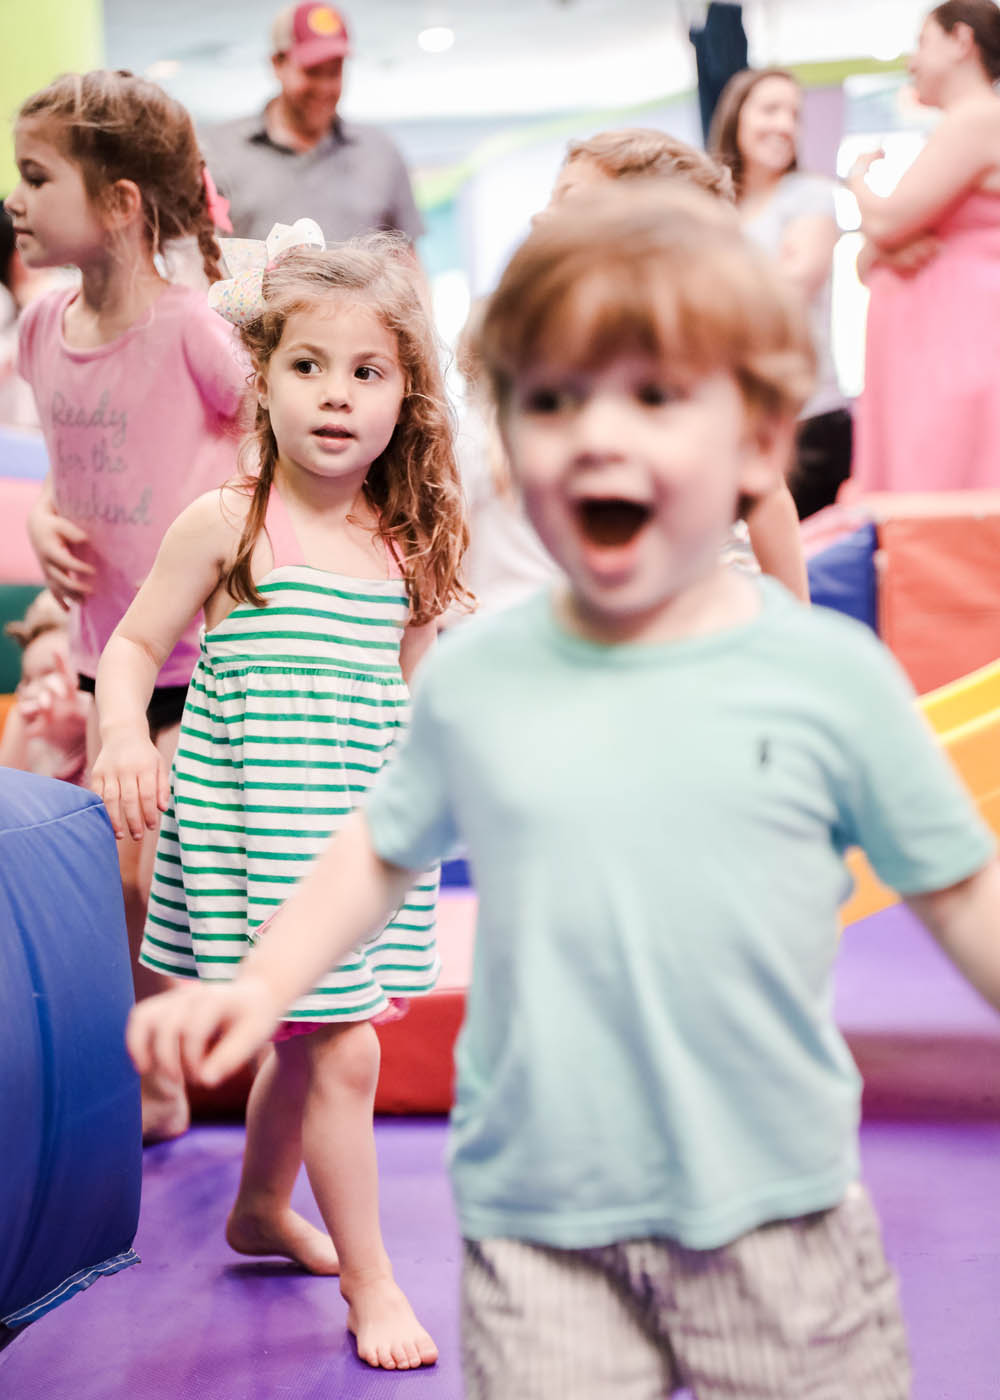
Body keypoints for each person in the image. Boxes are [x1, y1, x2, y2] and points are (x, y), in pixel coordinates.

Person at [126, 184, 1000, 1397]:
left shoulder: (826, 680)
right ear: (507, 441)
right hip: (537, 1227)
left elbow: (962, 891)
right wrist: (265, 982)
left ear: (757, 443)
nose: (597, 435)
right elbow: (374, 847)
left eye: (655, 398)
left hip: (773, 1212)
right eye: (553, 399)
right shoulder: (483, 676)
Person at [93, 233, 468, 1370]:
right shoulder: (232, 522)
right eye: (309, 366)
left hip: (351, 848)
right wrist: (123, 732)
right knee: (340, 1051)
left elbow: (406, 698)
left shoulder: (404, 547)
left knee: (304, 1049)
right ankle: (373, 1280)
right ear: (263, 380)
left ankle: (259, 1207)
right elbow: (133, 646)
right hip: (259, 844)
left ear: (405, 397)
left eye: (367, 372)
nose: (336, 394)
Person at [5, 69, 248, 1142]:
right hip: (101, 655)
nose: (15, 201)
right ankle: (144, 1068)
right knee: (104, 880)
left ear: (119, 203)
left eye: (36, 177)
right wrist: (46, 522)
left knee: (143, 871)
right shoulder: (41, 327)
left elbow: (269, 447)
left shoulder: (194, 329)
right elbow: (69, 472)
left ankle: (178, 1068)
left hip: (197, 657)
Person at [454, 127, 807, 620]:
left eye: (570, 201)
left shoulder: (692, 358)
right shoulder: (541, 350)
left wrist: (797, 622)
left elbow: (768, 498)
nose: (541, 215)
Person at [847, 0, 1000, 494]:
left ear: (961, 41)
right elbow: (871, 253)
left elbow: (885, 222)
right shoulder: (962, 126)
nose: (912, 63)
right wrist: (884, 246)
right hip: (942, 351)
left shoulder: (978, 117)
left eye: (922, 43)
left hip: (962, 350)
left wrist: (857, 178)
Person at [710, 69, 853, 520]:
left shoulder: (810, 194)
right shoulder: (715, 208)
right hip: (736, 417)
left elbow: (794, 285)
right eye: (770, 110)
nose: (785, 125)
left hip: (807, 416)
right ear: (736, 117)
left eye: (794, 114)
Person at [201, 3, 424, 247]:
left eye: (335, 71)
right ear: (277, 64)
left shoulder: (380, 152)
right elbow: (199, 252)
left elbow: (407, 257)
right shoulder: (217, 152)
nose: (324, 87)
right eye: (312, 71)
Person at [0, 589, 89, 782]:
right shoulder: (25, 722)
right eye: (27, 679)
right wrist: (19, 725)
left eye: (49, 672)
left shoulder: (103, 721)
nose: (32, 690)